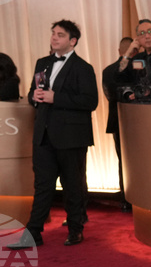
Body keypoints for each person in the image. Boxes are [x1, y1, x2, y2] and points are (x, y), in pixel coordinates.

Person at [9, 20, 98, 248]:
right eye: (53, 33)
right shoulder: (43, 63)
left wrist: (55, 98)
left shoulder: (83, 68)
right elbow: (34, 91)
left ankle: (76, 229)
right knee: (42, 186)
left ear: (73, 41)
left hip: (71, 137)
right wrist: (34, 97)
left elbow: (90, 102)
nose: (54, 37)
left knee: (73, 185)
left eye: (60, 34)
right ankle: (33, 234)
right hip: (43, 135)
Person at [102, 36, 134, 211]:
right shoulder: (113, 71)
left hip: (123, 121)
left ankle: (127, 199)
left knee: (125, 161)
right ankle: (129, 198)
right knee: (127, 161)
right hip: (126, 120)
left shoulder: (109, 70)